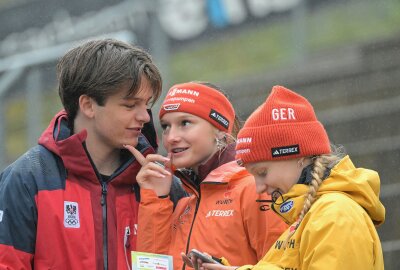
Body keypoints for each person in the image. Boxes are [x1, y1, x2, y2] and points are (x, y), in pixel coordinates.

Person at [0, 38, 185, 269]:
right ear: (88, 105)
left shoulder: (163, 185)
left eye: (146, 104)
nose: (145, 117)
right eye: (130, 105)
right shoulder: (27, 180)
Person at [198, 85, 385, 270]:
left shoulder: (335, 215)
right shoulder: (307, 216)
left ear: (299, 157)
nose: (259, 188)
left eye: (262, 172)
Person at [124, 82, 287, 270]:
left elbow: (283, 265)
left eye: (185, 123)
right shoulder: (186, 203)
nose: (171, 137)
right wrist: (156, 198)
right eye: (166, 126)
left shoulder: (255, 188)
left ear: (220, 130)